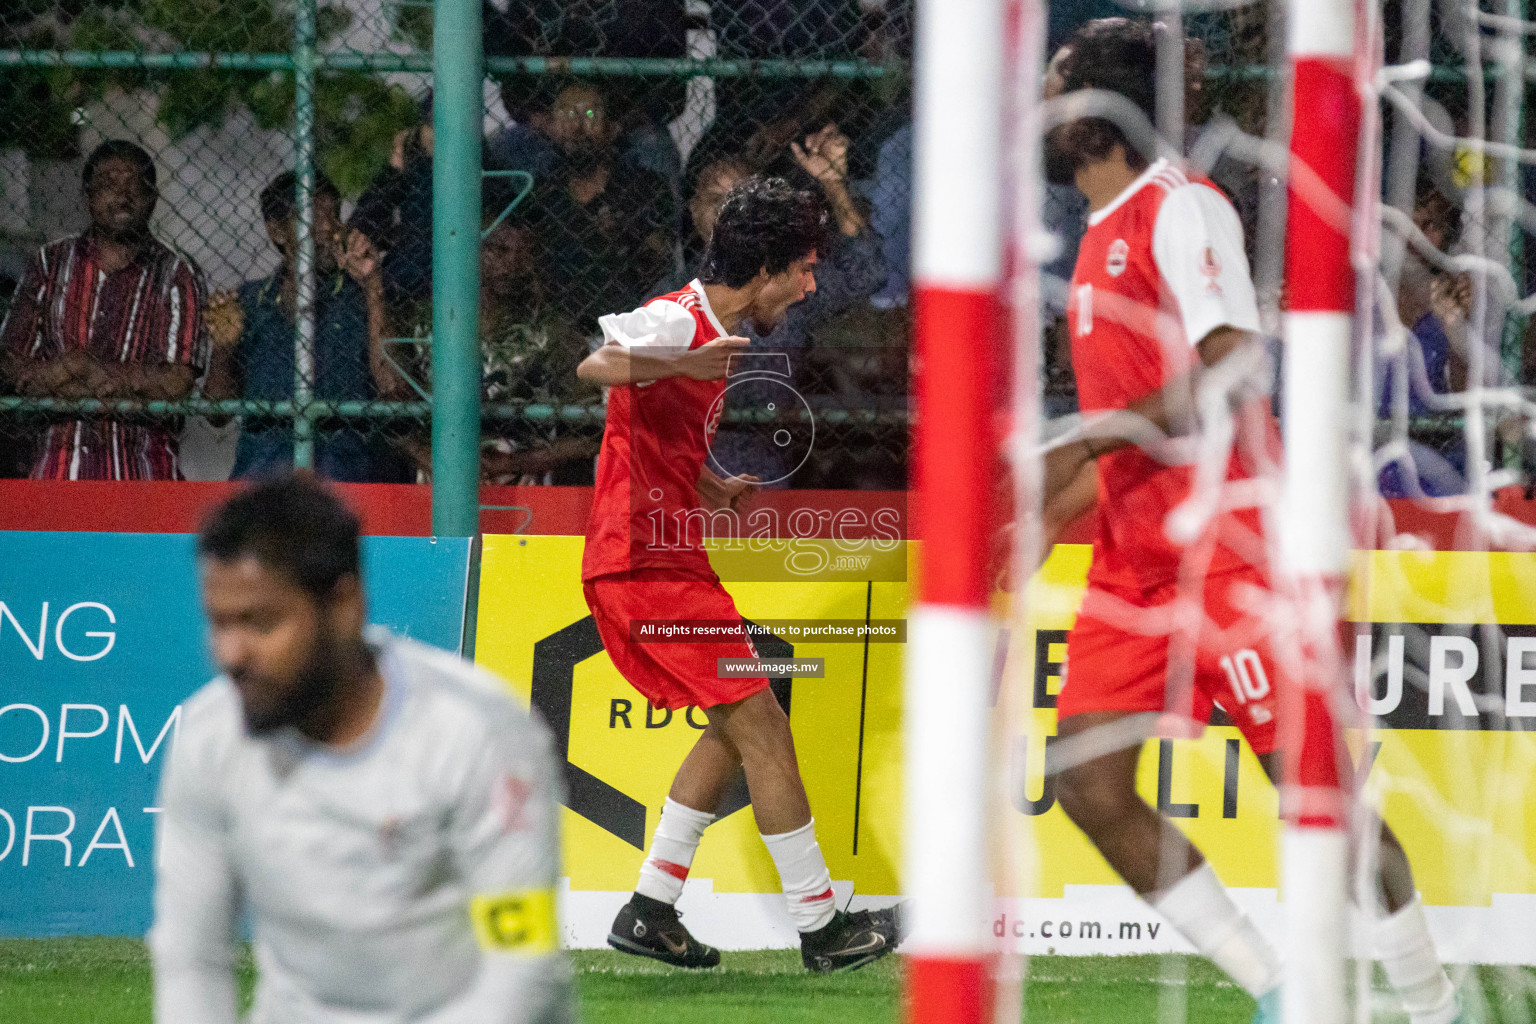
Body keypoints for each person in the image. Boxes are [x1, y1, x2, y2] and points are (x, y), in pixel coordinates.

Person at [1038, 19, 1465, 1024]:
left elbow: (1231, 360)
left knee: (1320, 800)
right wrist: (1040, 513)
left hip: (1234, 556)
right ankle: (1284, 993)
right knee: (1091, 785)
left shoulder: (1183, 209)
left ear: (1097, 110)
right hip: (1134, 566)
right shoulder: (1100, 233)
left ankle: (1435, 1005)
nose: (1044, 111)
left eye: (1059, 90)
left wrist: (1085, 441)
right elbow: (1131, 425)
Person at [575, 176, 902, 971]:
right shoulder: (678, 320)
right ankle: (822, 926)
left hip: (671, 557)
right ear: (766, 271)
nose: (811, 284)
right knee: (761, 724)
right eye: (804, 269)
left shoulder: (713, 331)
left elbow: (649, 441)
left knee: (757, 700)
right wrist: (676, 358)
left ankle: (650, 908)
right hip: (641, 567)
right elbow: (596, 368)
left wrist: (711, 487)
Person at [150, 474, 573, 1024]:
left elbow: (521, 964)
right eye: (219, 622)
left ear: (345, 603)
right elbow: (192, 958)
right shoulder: (208, 737)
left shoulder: (478, 732)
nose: (231, 653)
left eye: (260, 622)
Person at [0, 140, 208, 480]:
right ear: (88, 195)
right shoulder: (50, 262)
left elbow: (176, 381)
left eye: (136, 185)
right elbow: (12, 363)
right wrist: (119, 383)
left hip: (143, 468)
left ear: (153, 197)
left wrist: (79, 370)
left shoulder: (176, 272)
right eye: (110, 183)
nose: (124, 195)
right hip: (57, 467)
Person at [203, 171, 410, 482]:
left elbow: (395, 390)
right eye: (311, 217)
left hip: (345, 473)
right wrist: (224, 345)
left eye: (333, 215)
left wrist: (373, 287)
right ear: (278, 232)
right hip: (263, 475)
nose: (327, 227)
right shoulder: (250, 301)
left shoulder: (361, 296)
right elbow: (215, 414)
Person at [526, 80, 676, 334]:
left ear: (612, 128)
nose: (578, 128)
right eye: (567, 115)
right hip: (560, 330)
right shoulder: (540, 195)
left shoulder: (644, 187)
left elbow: (659, 264)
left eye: (590, 114)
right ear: (551, 127)